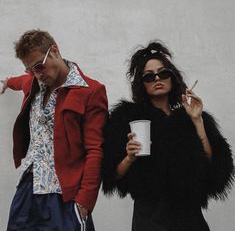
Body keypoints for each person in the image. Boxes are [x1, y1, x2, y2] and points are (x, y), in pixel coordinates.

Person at [102, 41, 234, 231]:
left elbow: (212, 166)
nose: (157, 79)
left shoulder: (189, 118)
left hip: (189, 217)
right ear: (142, 83)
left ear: (172, 77)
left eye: (163, 73)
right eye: (149, 76)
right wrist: (130, 158)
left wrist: (197, 121)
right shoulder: (127, 119)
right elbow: (111, 174)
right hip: (150, 218)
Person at [1, 29, 108, 231]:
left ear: (55, 52)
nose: (38, 75)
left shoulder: (91, 91)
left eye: (40, 66)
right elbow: (18, 81)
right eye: (31, 70)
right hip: (28, 188)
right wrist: (6, 83)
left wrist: (84, 202)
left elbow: (95, 150)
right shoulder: (33, 82)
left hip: (63, 194)